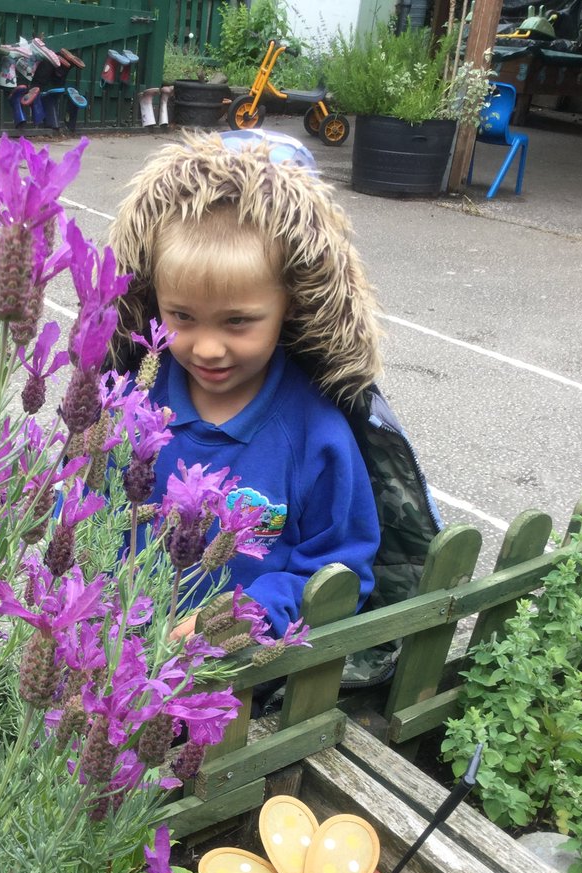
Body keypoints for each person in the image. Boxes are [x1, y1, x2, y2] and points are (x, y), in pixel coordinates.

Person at [108, 130, 383, 642]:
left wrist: (247, 615)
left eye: (238, 322)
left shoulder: (315, 435)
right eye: (182, 316)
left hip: (241, 686)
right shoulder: (127, 403)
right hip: (110, 655)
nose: (208, 348)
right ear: (152, 301)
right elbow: (82, 508)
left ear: (293, 307)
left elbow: (341, 574)